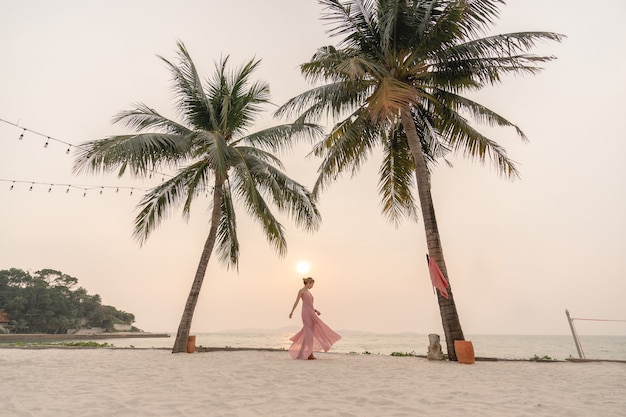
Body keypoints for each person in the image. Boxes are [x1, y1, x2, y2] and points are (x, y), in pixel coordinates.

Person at [288, 277, 341, 360]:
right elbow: (296, 302)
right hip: (306, 313)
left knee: (309, 333)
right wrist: (292, 312)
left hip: (311, 312)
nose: (312, 286)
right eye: (312, 284)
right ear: (308, 283)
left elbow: (310, 305)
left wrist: (316, 310)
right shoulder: (302, 291)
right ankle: (309, 354)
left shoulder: (309, 292)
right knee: (309, 334)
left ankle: (304, 353)